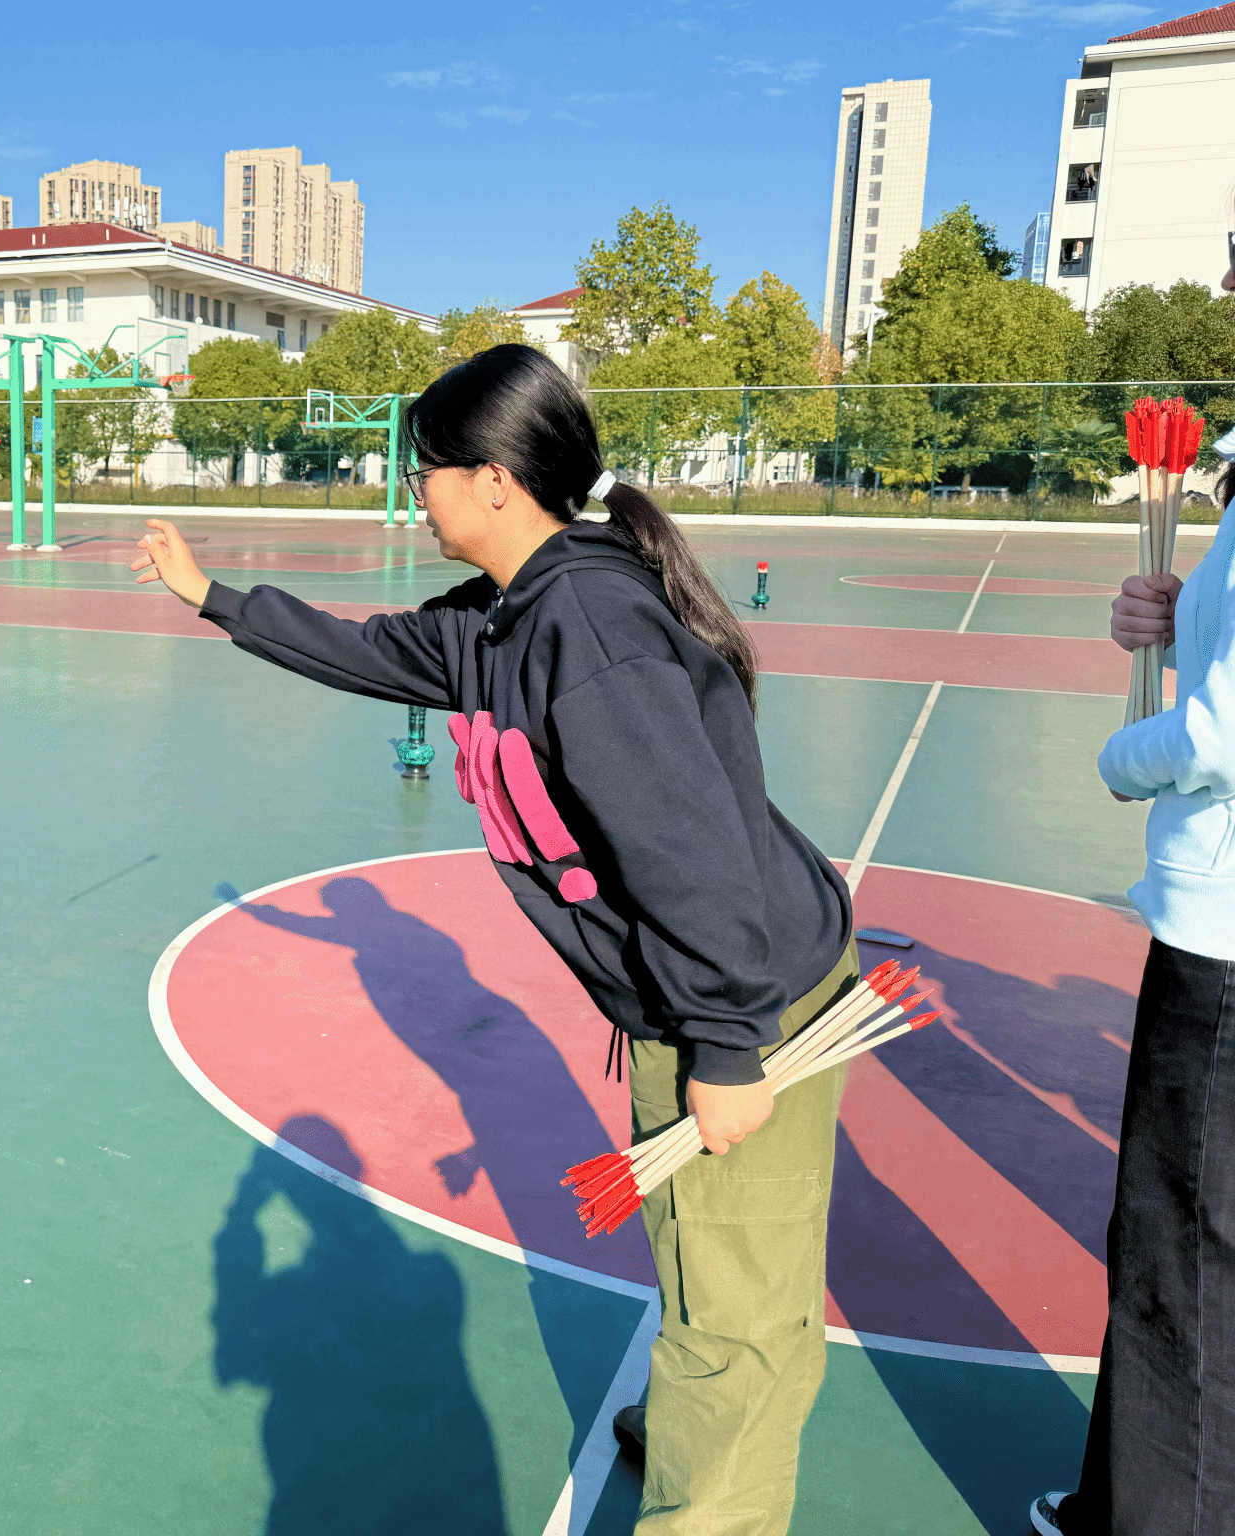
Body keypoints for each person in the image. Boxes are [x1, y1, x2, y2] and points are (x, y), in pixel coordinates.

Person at [131, 344, 855, 1534]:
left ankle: (709, 1489)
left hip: (749, 995)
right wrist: (212, 597)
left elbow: (692, 854)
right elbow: (370, 652)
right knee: (700, 1259)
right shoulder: (504, 615)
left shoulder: (589, 629)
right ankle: (685, 1420)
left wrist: (729, 1046)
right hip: (685, 997)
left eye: (424, 469)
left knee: (739, 1319)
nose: (412, 491)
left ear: (495, 481)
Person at [1033, 419, 1235, 1529]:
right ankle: (1124, 1498)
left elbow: (1219, 737)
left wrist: (1124, 757)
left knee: (1180, 1260)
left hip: (1223, 947)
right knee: (1177, 1247)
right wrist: (1178, 621)